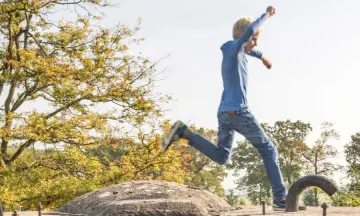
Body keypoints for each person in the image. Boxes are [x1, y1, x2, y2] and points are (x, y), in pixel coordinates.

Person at [162, 6, 288, 210]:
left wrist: (262, 56)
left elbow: (250, 46)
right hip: (239, 113)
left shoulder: (236, 51)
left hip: (224, 114)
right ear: (244, 36)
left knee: (222, 157)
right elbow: (247, 35)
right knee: (268, 149)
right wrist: (266, 16)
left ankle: (184, 132)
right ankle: (281, 198)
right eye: (254, 38)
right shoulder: (234, 49)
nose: (255, 43)